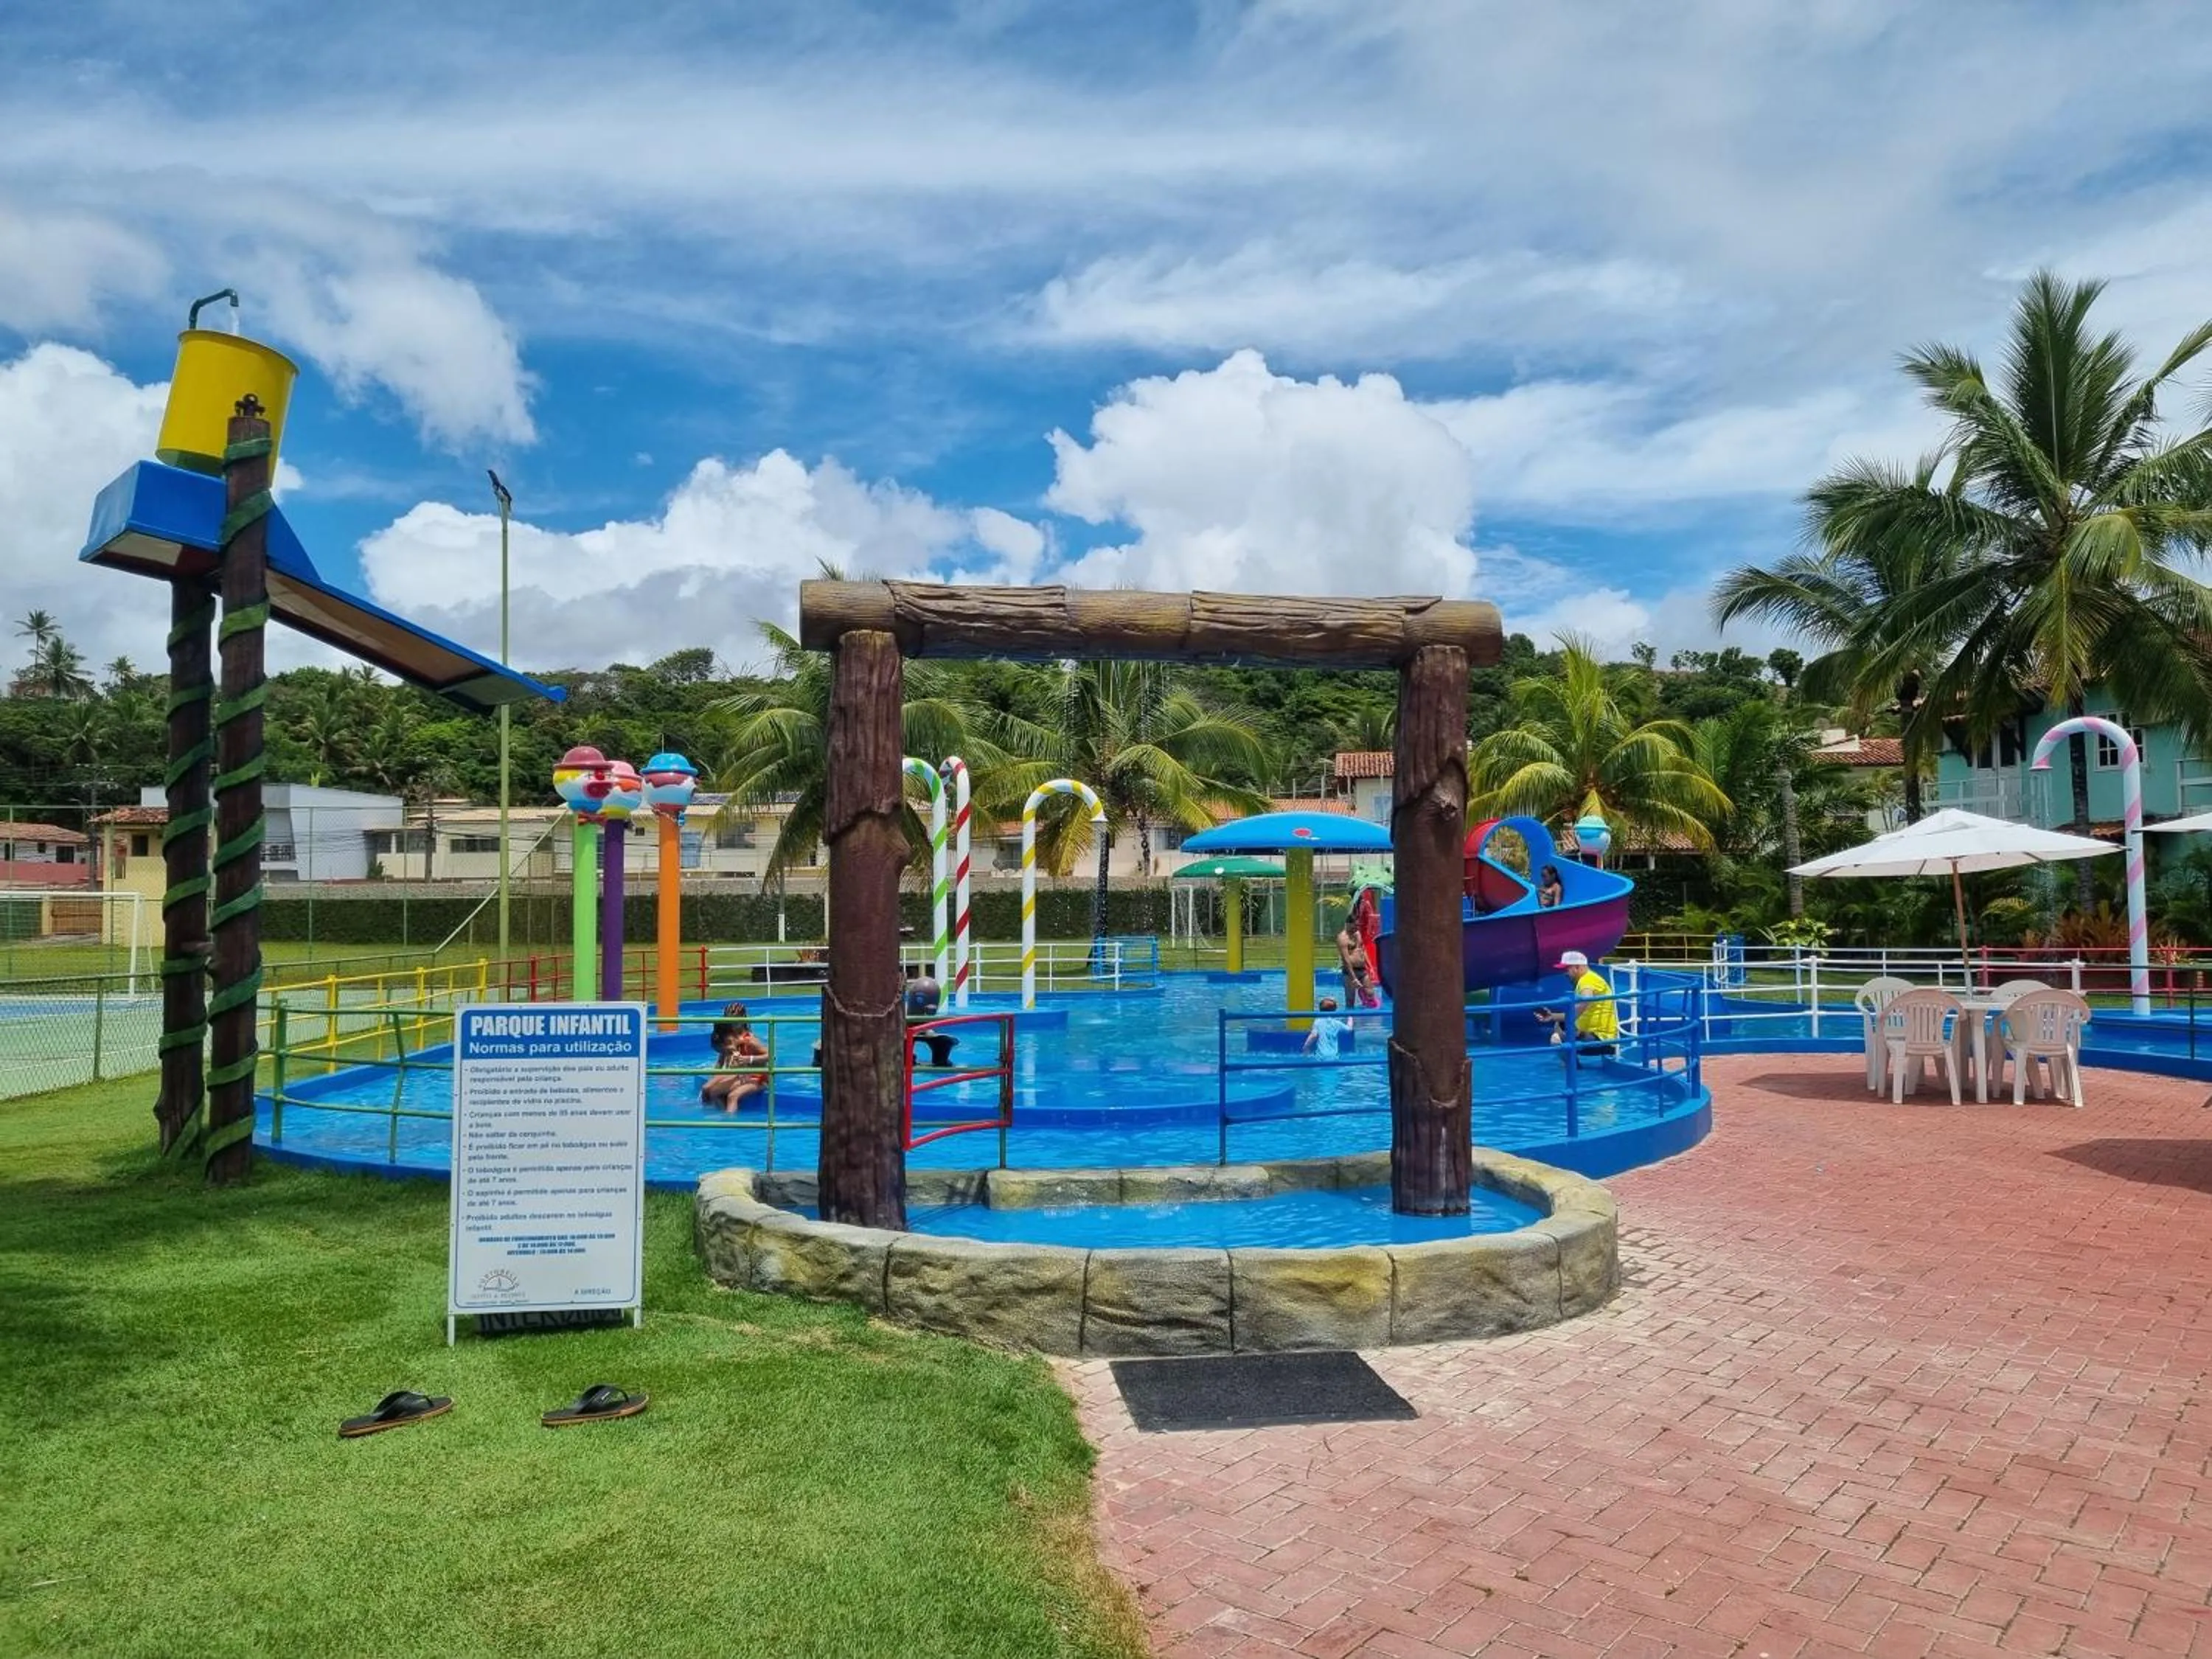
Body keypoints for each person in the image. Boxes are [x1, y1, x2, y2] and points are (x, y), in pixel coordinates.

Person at [1534, 950, 1618, 1064]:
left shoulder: (1587, 981)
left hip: (1601, 1039)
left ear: (1577, 967)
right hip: (1595, 1034)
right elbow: (1576, 1011)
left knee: (1556, 1039)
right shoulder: (1589, 978)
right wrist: (1551, 1016)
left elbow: (1586, 999)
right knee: (1559, 1025)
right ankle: (1572, 1061)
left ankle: (1573, 1068)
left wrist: (1568, 1033)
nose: (1566, 973)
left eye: (1567, 969)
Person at [701, 1018, 770, 1111]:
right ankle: (718, 1115)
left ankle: (730, 1122)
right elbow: (720, 1062)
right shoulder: (732, 1044)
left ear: (732, 1036)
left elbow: (771, 1056)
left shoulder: (750, 1041)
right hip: (744, 1076)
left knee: (732, 1096)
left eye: (729, 1043)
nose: (728, 1048)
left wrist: (749, 1059)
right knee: (713, 1092)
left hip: (759, 1079)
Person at [1301, 996, 1352, 1060]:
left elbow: (1314, 1035)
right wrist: (1350, 1017)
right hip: (1334, 1057)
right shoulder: (1336, 1023)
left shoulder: (1318, 1021)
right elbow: (1349, 1029)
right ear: (1334, 1011)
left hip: (1321, 1057)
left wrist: (1306, 1047)